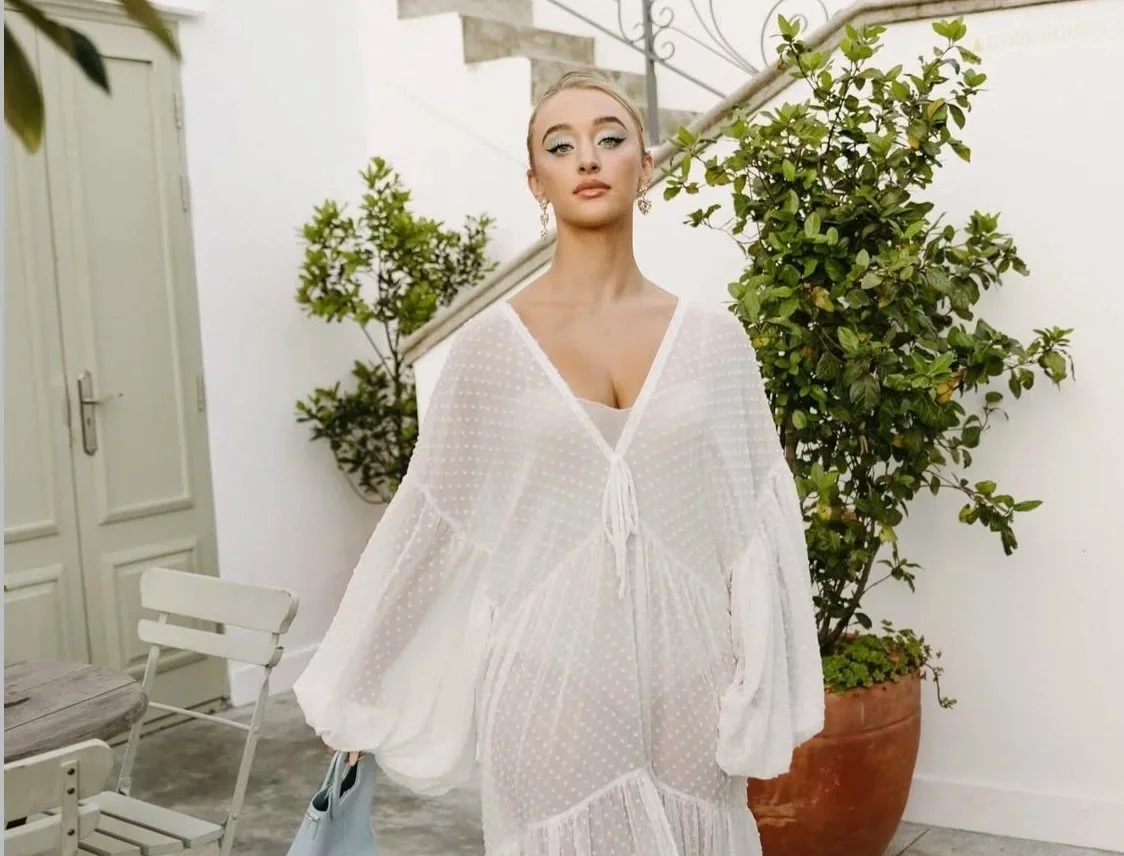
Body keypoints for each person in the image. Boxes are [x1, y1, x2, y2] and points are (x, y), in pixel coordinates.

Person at [294, 70, 824, 856]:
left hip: (693, 688)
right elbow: (435, 529)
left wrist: (759, 690)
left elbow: (755, 530)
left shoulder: (716, 345)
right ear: (535, 180)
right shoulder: (487, 350)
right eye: (561, 144)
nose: (588, 158)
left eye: (611, 138)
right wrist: (359, 699)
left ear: (645, 167)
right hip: (550, 687)